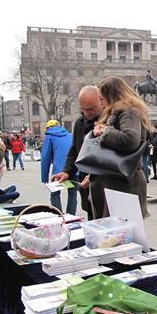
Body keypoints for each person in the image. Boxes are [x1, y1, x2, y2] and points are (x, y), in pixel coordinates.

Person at [90, 76, 150, 218]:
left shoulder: (129, 112)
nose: (101, 103)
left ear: (112, 96)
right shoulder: (118, 112)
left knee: (124, 237)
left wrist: (105, 131)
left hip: (122, 187)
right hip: (116, 185)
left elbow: (130, 139)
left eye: (102, 98)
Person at [53, 86, 104, 220]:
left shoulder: (109, 121)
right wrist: (67, 171)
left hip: (105, 186)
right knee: (92, 221)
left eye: (91, 108)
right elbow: (75, 150)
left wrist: (94, 175)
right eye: (83, 109)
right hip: (86, 185)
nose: (87, 113)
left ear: (102, 101)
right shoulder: (79, 123)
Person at [41, 120, 77, 214]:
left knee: (55, 195)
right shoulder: (70, 135)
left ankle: (59, 217)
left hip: (59, 171)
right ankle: (71, 218)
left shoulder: (49, 136)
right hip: (74, 169)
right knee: (73, 195)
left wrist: (44, 177)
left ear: (48, 128)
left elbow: (45, 158)